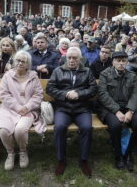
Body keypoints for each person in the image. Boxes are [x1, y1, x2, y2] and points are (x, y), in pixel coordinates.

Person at [46, 47, 97, 177]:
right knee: (60, 127)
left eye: (75, 58)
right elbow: (50, 88)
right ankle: (61, 160)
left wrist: (78, 94)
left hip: (82, 108)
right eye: (69, 57)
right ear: (65, 57)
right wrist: (65, 94)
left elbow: (93, 89)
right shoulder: (58, 71)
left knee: (87, 128)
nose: (71, 60)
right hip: (63, 108)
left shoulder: (87, 71)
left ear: (80, 59)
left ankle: (84, 160)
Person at [0, 50, 44, 170]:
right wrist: (17, 107)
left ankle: (22, 151)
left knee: (20, 130)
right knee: (4, 131)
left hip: (28, 110)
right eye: (18, 60)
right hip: (9, 109)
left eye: (23, 61)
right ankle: (10, 153)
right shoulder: (7, 76)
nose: (20, 63)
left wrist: (27, 107)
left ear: (28, 64)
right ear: (14, 61)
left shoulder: (33, 76)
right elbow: (4, 94)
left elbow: (38, 95)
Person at [97, 51, 137, 171]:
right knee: (115, 125)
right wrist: (117, 111)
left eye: (123, 60)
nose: (121, 63)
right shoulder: (105, 74)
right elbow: (103, 95)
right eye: (118, 60)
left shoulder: (132, 76)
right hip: (108, 108)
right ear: (113, 62)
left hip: (127, 107)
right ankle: (119, 155)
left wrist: (130, 111)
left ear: (127, 62)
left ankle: (128, 153)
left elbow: (135, 95)